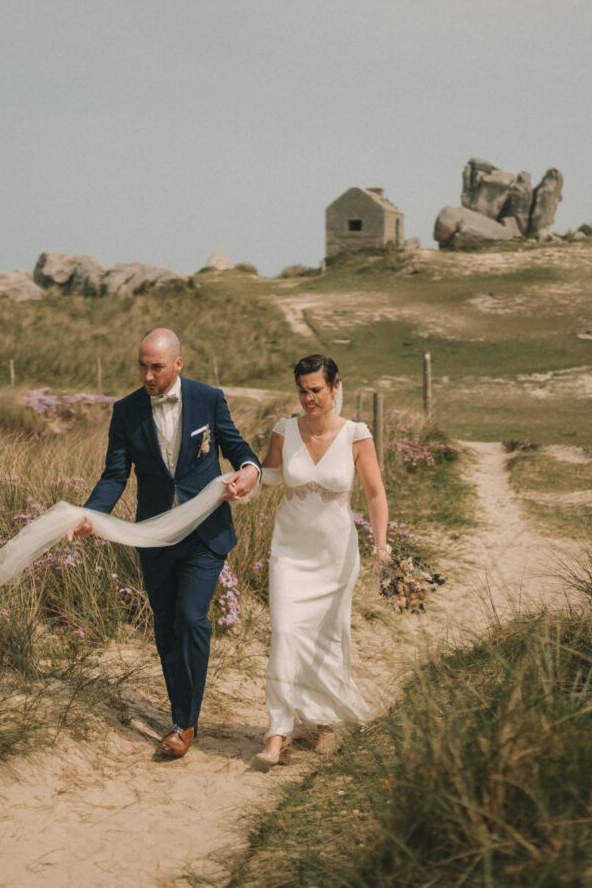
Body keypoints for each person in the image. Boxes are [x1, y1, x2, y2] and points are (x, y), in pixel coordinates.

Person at [67, 328, 260, 758]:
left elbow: (237, 446)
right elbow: (116, 474)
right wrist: (91, 515)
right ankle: (182, 714)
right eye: (142, 365)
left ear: (177, 364)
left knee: (192, 619)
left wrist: (249, 470)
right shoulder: (126, 411)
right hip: (153, 536)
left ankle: (184, 723)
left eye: (156, 367)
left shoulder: (209, 398)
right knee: (166, 626)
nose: (148, 375)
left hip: (205, 533)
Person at [253, 354, 388, 766]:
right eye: (302, 390)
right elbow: (270, 475)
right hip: (289, 552)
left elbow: (375, 493)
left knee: (330, 636)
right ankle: (279, 730)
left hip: (335, 556)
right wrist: (241, 480)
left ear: (334, 388)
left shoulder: (356, 435)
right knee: (285, 632)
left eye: (316, 390)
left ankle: (326, 721)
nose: (308, 398)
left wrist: (381, 544)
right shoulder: (284, 430)